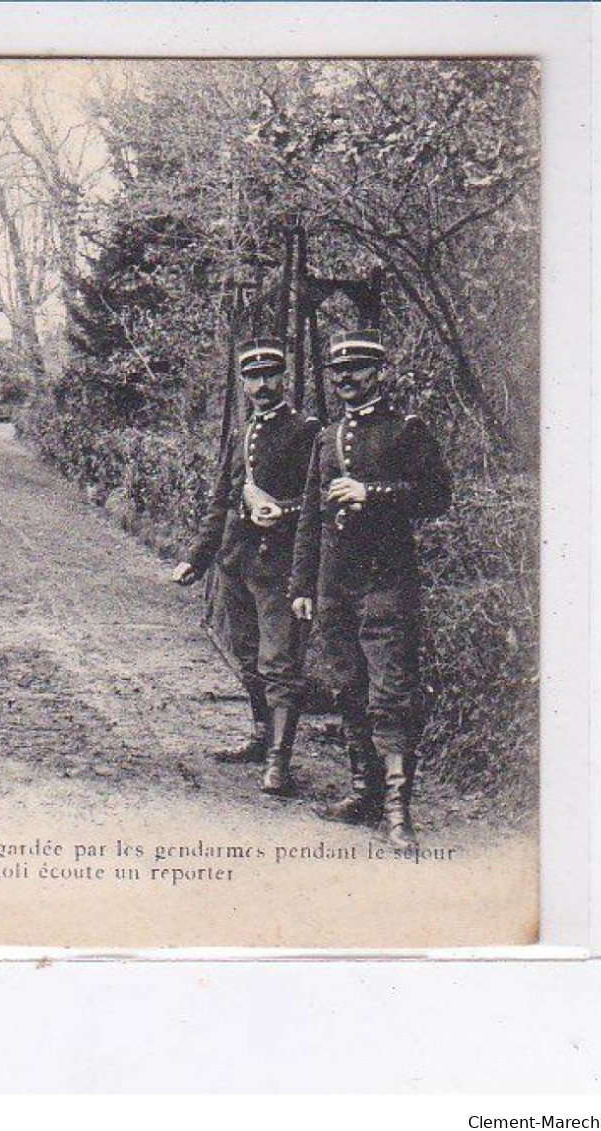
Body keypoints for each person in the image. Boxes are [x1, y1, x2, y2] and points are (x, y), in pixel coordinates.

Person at [290, 328, 453, 848]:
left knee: (392, 691)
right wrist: (303, 584)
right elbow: (312, 517)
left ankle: (398, 811)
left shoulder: (406, 430)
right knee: (347, 686)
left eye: (356, 369)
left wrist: (373, 493)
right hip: (336, 584)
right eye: (338, 371)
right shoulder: (326, 437)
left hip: (387, 581)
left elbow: (436, 496)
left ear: (378, 372)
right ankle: (363, 792)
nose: (346, 379)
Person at [173, 338, 319, 795]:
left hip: (280, 568)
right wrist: (197, 557)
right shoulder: (242, 434)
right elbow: (223, 498)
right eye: (252, 377)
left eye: (269, 375)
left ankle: (280, 761)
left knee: (280, 663)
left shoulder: (307, 432)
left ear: (283, 377)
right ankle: (260, 736)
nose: (261, 385)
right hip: (237, 562)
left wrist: (284, 512)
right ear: (243, 383)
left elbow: (317, 503)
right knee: (246, 656)